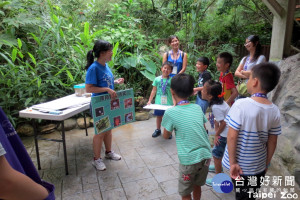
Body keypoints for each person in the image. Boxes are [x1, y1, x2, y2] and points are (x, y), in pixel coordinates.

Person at [222, 63, 281, 199]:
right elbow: (273, 141)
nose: (246, 82)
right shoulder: (274, 110)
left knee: (241, 193)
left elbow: (231, 137)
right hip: (258, 167)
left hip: (238, 167)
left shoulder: (240, 104)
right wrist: (266, 164)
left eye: (248, 79)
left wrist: (233, 163)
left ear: (255, 82)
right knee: (249, 194)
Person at [161, 73, 211, 200]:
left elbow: (166, 136)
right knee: (196, 185)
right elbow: (204, 129)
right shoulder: (197, 108)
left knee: (185, 192)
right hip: (205, 156)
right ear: (191, 91)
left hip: (189, 160)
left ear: (171, 91)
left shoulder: (170, 112)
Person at [85, 40, 124, 171]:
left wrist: (115, 82)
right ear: (102, 53)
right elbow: (89, 88)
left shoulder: (105, 65)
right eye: (110, 51)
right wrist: (107, 90)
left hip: (109, 103)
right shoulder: (93, 68)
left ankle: (108, 153)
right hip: (99, 104)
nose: (112, 53)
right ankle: (96, 159)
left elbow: (105, 82)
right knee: (100, 132)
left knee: (108, 129)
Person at [200, 80, 230, 186]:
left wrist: (217, 134)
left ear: (209, 95)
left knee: (216, 155)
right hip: (226, 132)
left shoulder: (215, 107)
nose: (201, 91)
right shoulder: (219, 102)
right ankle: (219, 167)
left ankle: (219, 181)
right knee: (217, 153)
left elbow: (223, 123)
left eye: (203, 90)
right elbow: (219, 119)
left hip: (224, 134)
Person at [147, 61, 175, 139]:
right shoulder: (157, 79)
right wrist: (150, 100)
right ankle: (158, 130)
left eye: (169, 69)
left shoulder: (172, 80)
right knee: (159, 116)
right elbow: (153, 90)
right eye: (165, 68)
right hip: (159, 103)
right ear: (161, 68)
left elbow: (173, 93)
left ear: (171, 71)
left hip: (168, 104)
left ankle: (168, 131)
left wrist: (174, 103)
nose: (166, 70)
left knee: (168, 118)